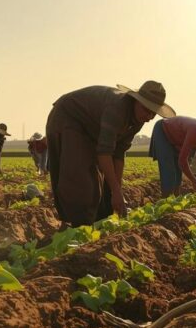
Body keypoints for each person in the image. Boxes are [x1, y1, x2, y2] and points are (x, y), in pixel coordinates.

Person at [47, 81, 175, 226]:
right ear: (136, 101)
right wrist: (116, 192)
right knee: (82, 179)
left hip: (90, 129)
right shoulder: (117, 109)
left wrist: (117, 190)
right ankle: (79, 226)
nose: (149, 116)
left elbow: (118, 154)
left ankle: (101, 221)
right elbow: (105, 152)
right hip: (68, 118)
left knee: (105, 184)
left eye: (153, 113)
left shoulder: (138, 120)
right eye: (146, 109)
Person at [149, 115, 196, 197]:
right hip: (163, 130)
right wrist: (194, 180)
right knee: (169, 171)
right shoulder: (195, 131)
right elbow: (182, 160)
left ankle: (175, 199)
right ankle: (166, 201)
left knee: (177, 175)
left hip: (176, 139)